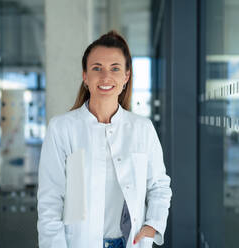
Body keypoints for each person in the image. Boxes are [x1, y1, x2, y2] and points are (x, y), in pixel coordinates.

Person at [37, 30, 172, 248]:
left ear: (126, 77)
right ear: (85, 76)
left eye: (115, 68)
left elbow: (159, 185)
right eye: (96, 68)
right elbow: (50, 201)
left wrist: (153, 224)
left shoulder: (142, 129)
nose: (105, 77)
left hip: (129, 242)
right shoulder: (62, 128)